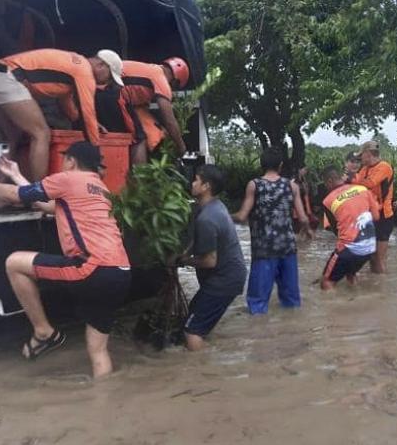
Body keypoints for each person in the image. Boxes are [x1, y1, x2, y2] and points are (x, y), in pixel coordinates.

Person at [0, 142, 130, 379]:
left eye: (65, 159)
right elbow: (46, 204)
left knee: (14, 263)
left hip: (91, 268)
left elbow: (17, 196)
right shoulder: (100, 189)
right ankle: (104, 398)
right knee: (98, 350)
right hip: (121, 272)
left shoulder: (68, 179)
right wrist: (15, 174)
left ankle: (43, 331)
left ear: (71, 162)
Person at [0, 48, 124, 180]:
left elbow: (67, 105)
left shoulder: (74, 65)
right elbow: (88, 113)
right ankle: (39, 194)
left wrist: (85, 123)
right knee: (41, 134)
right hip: (7, 77)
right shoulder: (85, 72)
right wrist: (96, 156)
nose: (106, 83)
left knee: (10, 138)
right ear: (101, 66)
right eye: (110, 78)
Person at [232, 148, 311, 315]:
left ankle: (261, 335)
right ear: (281, 166)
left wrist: (223, 214)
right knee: (291, 301)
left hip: (264, 250)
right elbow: (303, 218)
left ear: (262, 164)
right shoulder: (292, 185)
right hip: (288, 248)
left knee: (258, 303)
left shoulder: (254, 185)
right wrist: (308, 230)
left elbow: (242, 216)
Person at [180, 165, 247, 350]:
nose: (192, 183)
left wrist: (183, 261)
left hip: (224, 280)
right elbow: (195, 238)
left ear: (206, 186)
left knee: (191, 331)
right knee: (193, 313)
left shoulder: (207, 218)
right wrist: (184, 252)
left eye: (196, 180)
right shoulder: (212, 206)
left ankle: (200, 372)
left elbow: (210, 261)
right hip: (228, 276)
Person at [117, 58, 190, 163]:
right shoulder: (161, 80)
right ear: (175, 81)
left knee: (138, 127)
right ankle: (140, 175)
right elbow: (169, 121)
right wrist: (181, 146)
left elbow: (142, 111)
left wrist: (160, 129)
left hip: (107, 90)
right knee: (139, 138)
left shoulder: (150, 70)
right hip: (114, 95)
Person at [320, 166, 380, 291]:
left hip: (350, 248)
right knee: (350, 273)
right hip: (370, 247)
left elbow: (336, 230)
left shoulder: (328, 200)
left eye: (325, 183)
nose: (326, 187)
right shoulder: (363, 189)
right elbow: (376, 217)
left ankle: (335, 310)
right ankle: (355, 300)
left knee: (326, 282)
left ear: (329, 181)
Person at [351, 141, 394, 273]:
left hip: (384, 216)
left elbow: (369, 183)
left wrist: (352, 177)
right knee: (371, 256)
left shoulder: (384, 167)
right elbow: (356, 185)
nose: (360, 159)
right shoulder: (364, 169)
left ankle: (381, 288)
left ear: (368, 154)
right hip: (370, 215)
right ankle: (374, 286)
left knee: (379, 258)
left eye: (361, 156)